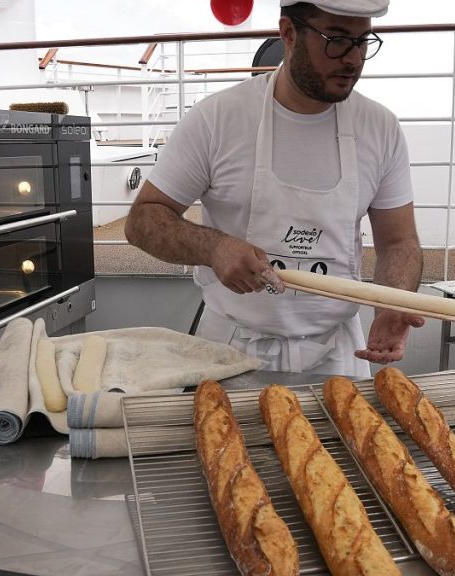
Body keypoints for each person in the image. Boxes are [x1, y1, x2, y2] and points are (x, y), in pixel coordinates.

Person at [125, 0, 423, 377]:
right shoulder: (217, 119)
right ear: (288, 33)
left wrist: (393, 300)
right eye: (337, 40)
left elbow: (398, 242)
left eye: (363, 41)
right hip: (231, 348)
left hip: (340, 353)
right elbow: (142, 220)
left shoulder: (380, 128)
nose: (353, 59)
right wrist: (214, 247)